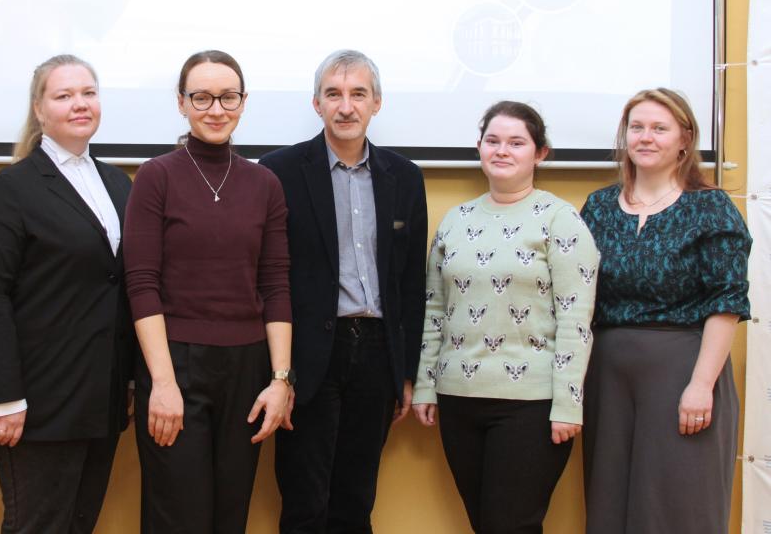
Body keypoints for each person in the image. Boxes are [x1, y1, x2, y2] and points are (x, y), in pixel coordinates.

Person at [123, 49, 293, 534]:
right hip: (176, 365)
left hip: (247, 370)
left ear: (243, 102)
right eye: (201, 97)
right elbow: (141, 284)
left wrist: (280, 380)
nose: (216, 109)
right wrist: (163, 383)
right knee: (178, 517)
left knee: (229, 516)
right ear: (181, 103)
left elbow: (275, 285)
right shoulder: (156, 176)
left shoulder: (265, 183)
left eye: (228, 97)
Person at [259, 49, 427, 533]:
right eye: (334, 94)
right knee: (305, 501)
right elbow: (268, 276)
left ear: (377, 103)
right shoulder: (279, 171)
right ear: (317, 104)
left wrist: (406, 372)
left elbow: (410, 284)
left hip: (376, 355)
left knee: (356, 502)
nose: (346, 106)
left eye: (358, 94)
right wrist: (280, 372)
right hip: (309, 355)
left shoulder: (405, 177)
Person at [411, 101, 598, 533]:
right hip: (458, 398)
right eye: (493, 141)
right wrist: (425, 385)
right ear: (479, 147)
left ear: (540, 153)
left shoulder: (560, 220)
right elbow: (434, 309)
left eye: (516, 143)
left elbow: (576, 318)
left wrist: (568, 404)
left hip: (532, 405)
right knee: (484, 523)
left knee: (510, 525)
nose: (502, 151)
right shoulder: (455, 221)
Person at [0, 54, 134, 533]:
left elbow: (122, 287)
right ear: (39, 110)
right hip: (37, 401)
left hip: (101, 397)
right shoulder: (11, 189)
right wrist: (5, 397)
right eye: (64, 95)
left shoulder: (117, 184)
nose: (80, 104)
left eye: (88, 93)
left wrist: (127, 380)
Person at [580, 88, 751, 534]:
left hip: (683, 372)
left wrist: (701, 385)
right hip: (608, 375)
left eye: (659, 128)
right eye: (637, 127)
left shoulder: (710, 207)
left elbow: (726, 302)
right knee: (609, 502)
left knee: (678, 504)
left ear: (684, 139)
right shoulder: (598, 207)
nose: (646, 137)